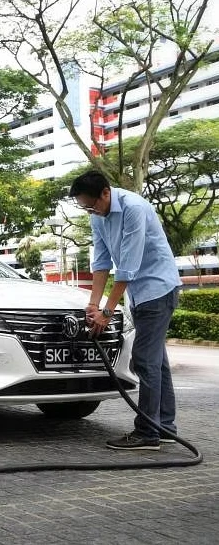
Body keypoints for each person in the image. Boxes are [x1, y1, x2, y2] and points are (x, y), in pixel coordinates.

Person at [69, 171, 182, 451]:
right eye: (85, 207)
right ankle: (164, 427)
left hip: (158, 289)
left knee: (144, 359)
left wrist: (107, 314)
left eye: (91, 205)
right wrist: (93, 305)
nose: (90, 211)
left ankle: (147, 433)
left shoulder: (134, 208)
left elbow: (127, 267)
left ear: (105, 193)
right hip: (140, 296)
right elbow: (101, 261)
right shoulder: (98, 216)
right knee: (158, 363)